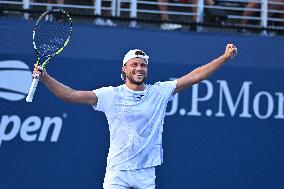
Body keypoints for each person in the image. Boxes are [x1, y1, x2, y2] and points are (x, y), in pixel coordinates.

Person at [32, 44, 237, 189]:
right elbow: (70, 96)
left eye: (143, 65)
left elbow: (195, 76)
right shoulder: (110, 95)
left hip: (146, 172)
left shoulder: (159, 92)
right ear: (124, 69)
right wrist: (46, 77)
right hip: (117, 172)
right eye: (134, 65)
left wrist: (224, 57)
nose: (139, 68)